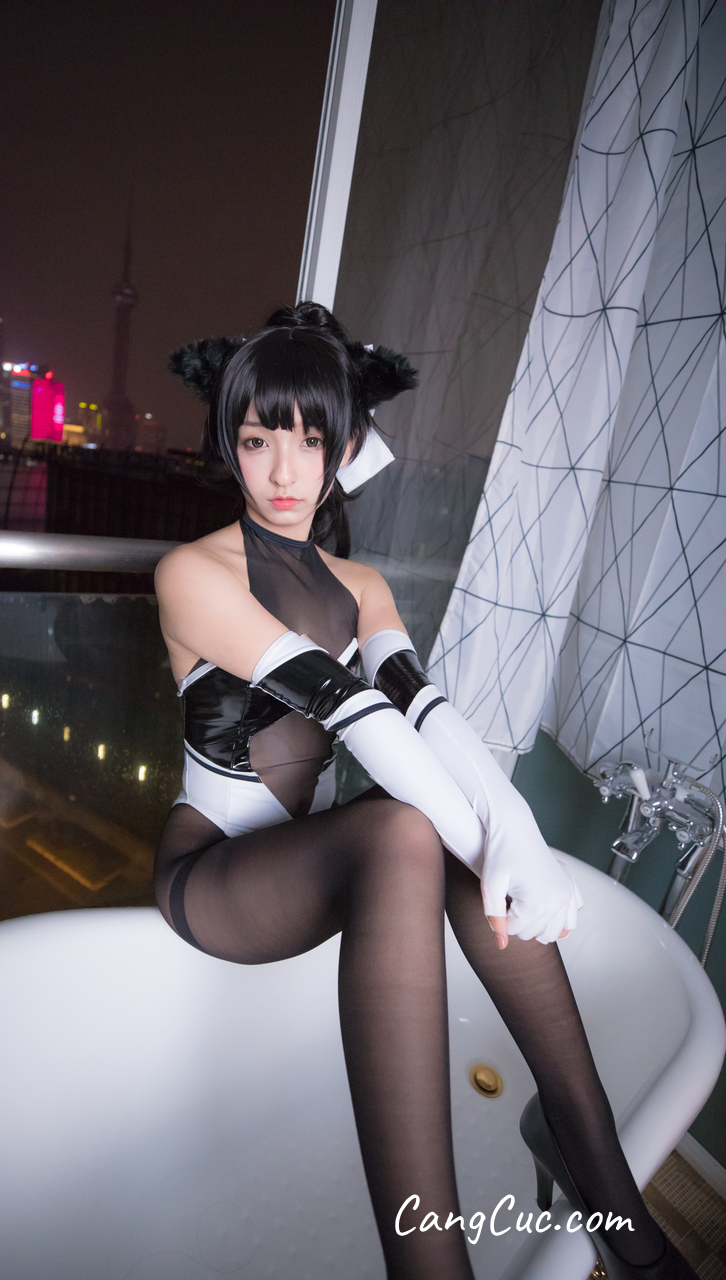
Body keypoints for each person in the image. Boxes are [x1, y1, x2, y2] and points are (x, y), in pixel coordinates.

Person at [153, 302, 697, 1280]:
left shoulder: (359, 583)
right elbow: (352, 709)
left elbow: (422, 707)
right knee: (411, 828)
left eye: (310, 440)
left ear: (346, 445)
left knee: (426, 825)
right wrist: (500, 844)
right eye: (258, 439)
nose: (283, 470)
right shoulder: (192, 572)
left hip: (314, 862)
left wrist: (511, 825)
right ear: (228, 444)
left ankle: (595, 1167)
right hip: (216, 877)